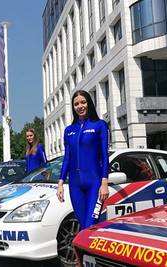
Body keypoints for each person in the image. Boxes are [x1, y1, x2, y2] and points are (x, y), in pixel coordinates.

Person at [56, 90, 109, 229]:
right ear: (73, 107)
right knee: (83, 226)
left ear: (89, 103)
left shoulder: (100, 125)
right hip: (75, 184)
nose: (80, 106)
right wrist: (60, 183)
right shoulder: (69, 130)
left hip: (95, 183)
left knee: (90, 225)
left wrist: (104, 183)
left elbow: (104, 155)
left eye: (83, 102)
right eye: (76, 104)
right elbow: (67, 157)